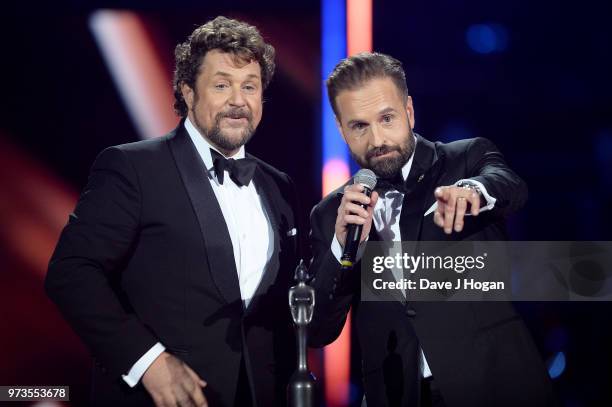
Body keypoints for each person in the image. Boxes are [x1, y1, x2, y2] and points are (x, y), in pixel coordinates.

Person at [45, 16, 300, 407]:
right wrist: (147, 362)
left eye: (249, 86)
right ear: (188, 92)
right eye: (221, 85)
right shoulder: (133, 167)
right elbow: (71, 272)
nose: (238, 100)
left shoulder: (278, 186)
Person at [308, 52, 556, 407]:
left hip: (495, 385)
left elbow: (509, 185)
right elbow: (318, 330)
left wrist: (473, 192)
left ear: (409, 112)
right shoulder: (331, 213)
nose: (377, 139)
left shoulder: (465, 158)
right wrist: (341, 249)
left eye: (387, 118)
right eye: (359, 126)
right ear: (341, 129)